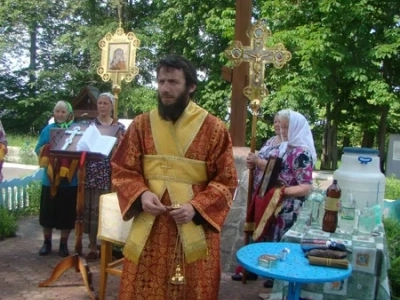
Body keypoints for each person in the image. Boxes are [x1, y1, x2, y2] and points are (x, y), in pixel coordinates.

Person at [111, 55, 238, 300]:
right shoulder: (141, 125)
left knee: (193, 288)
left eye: (173, 82)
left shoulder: (214, 128)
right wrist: (142, 194)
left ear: (190, 86)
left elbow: (226, 180)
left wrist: (196, 207)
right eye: (161, 82)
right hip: (152, 224)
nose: (165, 89)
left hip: (193, 226)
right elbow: (122, 169)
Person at [231, 113, 282, 282]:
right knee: (255, 229)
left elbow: (280, 170)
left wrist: (259, 162)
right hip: (259, 191)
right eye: (275, 121)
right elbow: (259, 161)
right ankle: (250, 268)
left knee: (270, 232)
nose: (276, 124)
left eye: (281, 122)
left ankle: (271, 273)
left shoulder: (291, 145)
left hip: (274, 197)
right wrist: (251, 163)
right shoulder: (270, 142)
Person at [83, 92, 126, 260]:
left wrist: (120, 143)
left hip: (110, 173)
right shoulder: (90, 126)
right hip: (92, 172)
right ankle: (93, 246)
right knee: (91, 207)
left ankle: (106, 246)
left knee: (107, 209)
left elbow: (125, 150)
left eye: (105, 103)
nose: (101, 106)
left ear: (111, 106)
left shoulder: (119, 127)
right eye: (99, 103)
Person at [35, 100, 78, 257]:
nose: (60, 114)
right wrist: (48, 149)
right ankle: (47, 243)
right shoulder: (48, 129)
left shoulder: (75, 129)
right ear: (54, 113)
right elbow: (38, 148)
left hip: (69, 179)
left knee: (66, 214)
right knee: (48, 213)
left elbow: (81, 148)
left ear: (69, 114)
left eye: (63, 112)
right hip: (50, 178)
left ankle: (63, 245)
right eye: (57, 111)